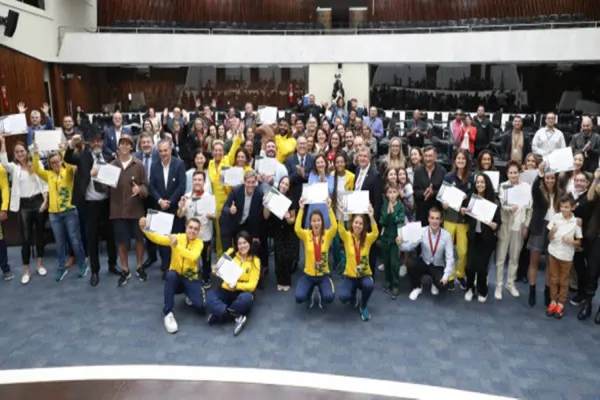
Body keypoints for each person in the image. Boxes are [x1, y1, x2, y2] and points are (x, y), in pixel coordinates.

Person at [64, 131, 119, 286]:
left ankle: (113, 264)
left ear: (102, 142)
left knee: (111, 236)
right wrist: (71, 144)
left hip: (107, 203)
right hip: (90, 205)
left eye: (99, 141)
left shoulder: (108, 158)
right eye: (93, 141)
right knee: (92, 238)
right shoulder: (83, 157)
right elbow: (67, 158)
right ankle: (95, 271)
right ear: (89, 143)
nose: (96, 144)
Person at [95, 135, 149, 287]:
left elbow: (146, 187)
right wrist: (96, 177)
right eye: (122, 144)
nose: (124, 146)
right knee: (122, 241)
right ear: (118, 147)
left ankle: (139, 266)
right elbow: (102, 189)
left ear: (131, 147)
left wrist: (140, 190)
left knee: (139, 239)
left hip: (136, 210)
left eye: (127, 144)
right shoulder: (111, 166)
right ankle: (125, 269)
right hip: (118, 210)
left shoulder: (139, 165)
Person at [141, 215, 205, 333]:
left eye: (196, 229)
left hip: (190, 276)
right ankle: (168, 313)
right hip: (176, 276)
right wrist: (144, 229)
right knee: (170, 275)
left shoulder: (199, 243)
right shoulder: (177, 237)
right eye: (190, 227)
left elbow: (193, 256)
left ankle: (189, 293)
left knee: (200, 305)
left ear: (199, 231)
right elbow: (158, 239)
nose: (192, 231)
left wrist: (177, 246)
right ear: (186, 227)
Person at [32, 148, 88, 281]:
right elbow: (37, 169)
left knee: (75, 240)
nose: (55, 164)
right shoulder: (48, 175)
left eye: (57, 161)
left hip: (69, 211)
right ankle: (61, 267)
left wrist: (63, 151)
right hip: (54, 214)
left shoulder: (68, 171)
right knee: (60, 242)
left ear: (61, 161)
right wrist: (35, 154)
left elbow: (68, 162)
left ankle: (82, 264)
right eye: (52, 163)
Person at [0, 134, 48, 284]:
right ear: (14, 155)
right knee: (26, 239)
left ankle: (39, 264)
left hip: (38, 202)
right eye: (17, 152)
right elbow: (4, 163)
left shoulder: (36, 164)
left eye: (22, 151)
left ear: (26, 152)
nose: (20, 154)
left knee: (40, 236)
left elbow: (45, 184)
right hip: (24, 206)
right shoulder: (14, 168)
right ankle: (26, 270)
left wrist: (45, 202)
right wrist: (2, 142)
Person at [206, 231, 260, 336]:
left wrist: (237, 286)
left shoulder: (255, 261)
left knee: (247, 299)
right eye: (239, 243)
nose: (242, 246)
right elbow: (219, 267)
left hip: (242, 292)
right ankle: (236, 315)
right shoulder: (231, 252)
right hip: (226, 290)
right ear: (236, 245)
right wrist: (215, 271)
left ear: (249, 243)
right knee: (209, 295)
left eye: (245, 242)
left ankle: (219, 314)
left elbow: (252, 285)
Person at [148, 140, 187, 280]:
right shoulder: (154, 165)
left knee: (175, 238)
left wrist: (170, 201)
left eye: (166, 150)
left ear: (170, 150)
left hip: (174, 208)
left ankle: (176, 267)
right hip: (160, 208)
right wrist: (160, 201)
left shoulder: (179, 164)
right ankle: (165, 266)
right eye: (161, 151)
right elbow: (151, 186)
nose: (163, 153)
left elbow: (182, 186)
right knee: (162, 240)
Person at [495, 161, 532, 300]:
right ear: (507, 174)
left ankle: (510, 283)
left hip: (519, 226)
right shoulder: (503, 186)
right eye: (510, 173)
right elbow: (502, 204)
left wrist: (526, 225)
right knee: (500, 257)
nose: (513, 175)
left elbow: (530, 209)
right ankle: (499, 285)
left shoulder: (526, 187)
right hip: (505, 225)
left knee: (515, 257)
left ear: (519, 173)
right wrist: (509, 208)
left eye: (515, 172)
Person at [527, 161, 561, 307]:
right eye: (547, 178)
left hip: (554, 230)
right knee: (534, 262)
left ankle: (548, 292)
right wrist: (540, 174)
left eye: (552, 178)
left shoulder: (561, 193)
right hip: (539, 228)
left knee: (550, 263)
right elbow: (534, 187)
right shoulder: (539, 191)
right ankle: (532, 290)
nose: (550, 180)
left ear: (556, 179)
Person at [464, 173, 501, 303]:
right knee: (469, 266)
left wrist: (495, 225)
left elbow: (498, 222)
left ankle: (482, 290)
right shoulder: (471, 198)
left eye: (482, 182)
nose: (480, 184)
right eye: (478, 182)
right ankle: (469, 288)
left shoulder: (494, 200)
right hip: (473, 237)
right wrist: (464, 211)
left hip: (487, 239)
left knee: (482, 268)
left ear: (487, 184)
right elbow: (467, 218)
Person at [337, 205, 378, 321]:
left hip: (364, 275)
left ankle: (363, 306)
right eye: (356, 222)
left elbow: (375, 233)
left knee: (369, 285)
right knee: (343, 297)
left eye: (360, 223)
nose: (358, 225)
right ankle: (352, 295)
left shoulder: (367, 238)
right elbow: (340, 229)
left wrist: (371, 217)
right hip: (350, 275)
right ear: (352, 223)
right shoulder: (347, 237)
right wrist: (341, 215)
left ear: (363, 226)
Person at [295, 197, 337, 308]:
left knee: (329, 297)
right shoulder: (306, 234)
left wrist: (329, 209)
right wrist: (301, 209)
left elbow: (334, 228)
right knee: (299, 297)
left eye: (318, 220)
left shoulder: (327, 235)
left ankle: (322, 291)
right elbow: (297, 229)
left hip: (323, 275)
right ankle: (309, 292)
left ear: (322, 222)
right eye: (314, 221)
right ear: (310, 223)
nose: (316, 223)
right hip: (309, 274)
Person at [177, 170, 216, 289]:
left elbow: (214, 216)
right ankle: (191, 277)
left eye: (200, 180)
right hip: (191, 235)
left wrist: (211, 216)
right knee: (190, 258)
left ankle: (206, 277)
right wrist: (180, 207)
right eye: (195, 180)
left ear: (204, 182)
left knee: (206, 259)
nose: (197, 182)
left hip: (205, 234)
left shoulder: (209, 197)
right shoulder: (186, 197)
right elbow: (180, 215)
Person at [545, 195, 582, 318]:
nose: (563, 209)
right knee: (553, 279)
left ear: (572, 208)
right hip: (553, 253)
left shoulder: (576, 222)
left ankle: (561, 303)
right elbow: (549, 237)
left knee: (564, 281)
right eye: (561, 206)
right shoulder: (556, 217)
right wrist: (552, 231)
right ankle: (553, 301)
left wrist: (572, 241)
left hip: (567, 256)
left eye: (566, 207)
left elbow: (579, 243)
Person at [406, 207, 454, 301]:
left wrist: (445, 277)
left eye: (437, 218)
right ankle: (417, 287)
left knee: (443, 286)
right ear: (428, 219)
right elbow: (410, 246)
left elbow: (450, 258)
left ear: (441, 220)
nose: (434, 221)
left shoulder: (447, 236)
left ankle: (435, 283)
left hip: (437, 265)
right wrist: (400, 244)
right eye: (432, 218)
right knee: (411, 264)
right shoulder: (422, 231)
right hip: (424, 261)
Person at [442, 149, 473, 291]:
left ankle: (460, 275)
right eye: (458, 158)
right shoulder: (448, 177)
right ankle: (450, 276)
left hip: (463, 220)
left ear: (467, 161)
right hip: (449, 217)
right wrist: (443, 204)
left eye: (463, 158)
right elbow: (442, 196)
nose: (460, 161)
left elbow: (473, 198)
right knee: (448, 250)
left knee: (463, 251)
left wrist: (466, 207)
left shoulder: (471, 178)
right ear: (455, 160)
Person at [263, 176, 297, 291]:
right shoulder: (273, 196)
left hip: (287, 230)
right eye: (282, 183)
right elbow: (266, 216)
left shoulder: (290, 201)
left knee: (287, 257)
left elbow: (293, 220)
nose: (283, 186)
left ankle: (286, 281)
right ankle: (279, 280)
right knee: (278, 256)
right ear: (279, 183)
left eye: (286, 184)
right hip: (276, 230)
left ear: (289, 188)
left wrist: (288, 218)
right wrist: (266, 204)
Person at [220, 170, 264, 256]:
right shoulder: (236, 190)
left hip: (243, 225)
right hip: (229, 223)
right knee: (228, 251)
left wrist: (255, 235)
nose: (251, 185)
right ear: (244, 182)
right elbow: (224, 209)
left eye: (253, 182)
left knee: (244, 247)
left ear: (256, 182)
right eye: (248, 182)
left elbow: (257, 216)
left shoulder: (259, 194)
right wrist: (230, 210)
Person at [577, 168, 600, 323]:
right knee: (592, 272)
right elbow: (590, 198)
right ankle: (588, 303)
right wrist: (596, 179)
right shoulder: (598, 186)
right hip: (596, 235)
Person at [378, 184, 405, 299]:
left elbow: (400, 220)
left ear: (398, 193)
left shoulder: (400, 206)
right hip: (385, 238)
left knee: (394, 263)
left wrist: (392, 213)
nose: (392, 195)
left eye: (394, 192)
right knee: (387, 262)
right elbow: (382, 221)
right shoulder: (385, 205)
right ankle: (388, 281)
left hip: (395, 238)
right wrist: (387, 214)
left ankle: (395, 284)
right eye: (390, 192)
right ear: (387, 194)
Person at [413, 146, 446, 225]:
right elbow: (415, 190)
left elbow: (444, 191)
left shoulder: (442, 171)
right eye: (426, 156)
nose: (428, 159)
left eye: (430, 156)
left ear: (435, 156)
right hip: (422, 211)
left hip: (437, 211)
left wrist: (433, 193)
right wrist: (424, 193)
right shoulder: (418, 171)